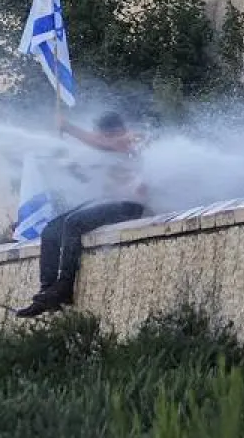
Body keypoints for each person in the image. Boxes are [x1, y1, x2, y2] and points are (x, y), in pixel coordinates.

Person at [16, 110, 147, 318]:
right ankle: (47, 290)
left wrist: (68, 127)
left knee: (74, 223)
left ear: (115, 131)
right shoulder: (106, 150)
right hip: (106, 201)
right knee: (51, 230)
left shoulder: (130, 139)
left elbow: (102, 143)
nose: (100, 139)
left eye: (103, 135)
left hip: (128, 205)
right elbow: (86, 175)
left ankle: (65, 286)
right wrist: (66, 167)